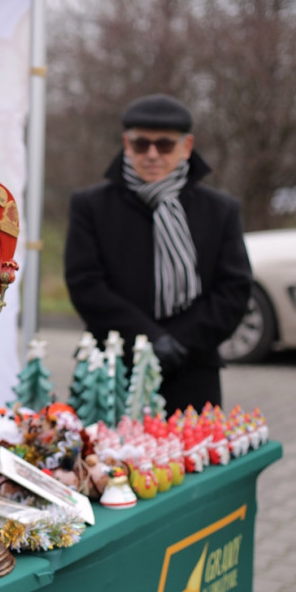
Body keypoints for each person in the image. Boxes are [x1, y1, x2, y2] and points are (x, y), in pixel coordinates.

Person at [64, 94, 251, 413]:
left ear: (186, 147)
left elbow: (233, 291)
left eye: (164, 145)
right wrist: (149, 340)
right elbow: (86, 285)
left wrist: (179, 343)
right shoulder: (91, 206)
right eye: (141, 144)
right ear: (126, 144)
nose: (152, 154)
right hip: (113, 368)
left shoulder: (220, 210)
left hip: (192, 367)